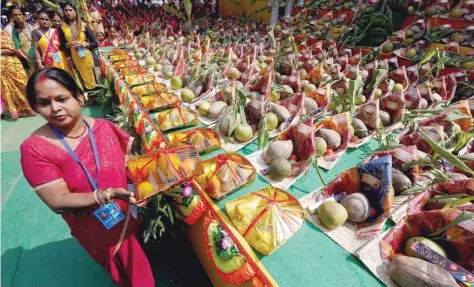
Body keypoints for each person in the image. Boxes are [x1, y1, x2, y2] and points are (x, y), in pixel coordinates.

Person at [21, 67, 155, 287]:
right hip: (94, 225)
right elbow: (58, 200)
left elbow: (128, 165)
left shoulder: (104, 127)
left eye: (62, 98)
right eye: (44, 103)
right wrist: (108, 194)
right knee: (122, 267)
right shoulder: (35, 149)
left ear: (79, 97)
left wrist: (142, 186)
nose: (55, 108)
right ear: (36, 107)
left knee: (134, 259)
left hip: (126, 210)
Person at [58, 3, 99, 90]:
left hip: (87, 55)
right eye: (66, 11)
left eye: (70, 10)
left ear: (76, 11)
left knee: (92, 77)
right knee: (81, 78)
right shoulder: (62, 27)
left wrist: (83, 44)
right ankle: (89, 94)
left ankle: (96, 92)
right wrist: (69, 44)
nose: (68, 13)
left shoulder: (83, 25)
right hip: (74, 57)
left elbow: (95, 43)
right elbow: (61, 46)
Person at [1, 29, 36, 119]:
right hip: (1, 70)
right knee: (7, 89)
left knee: (23, 85)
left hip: (12, 65)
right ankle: (19, 110)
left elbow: (12, 50)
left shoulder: (2, 33)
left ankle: (30, 107)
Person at [32, 9, 71, 74]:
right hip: (48, 61)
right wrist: (39, 63)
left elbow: (62, 46)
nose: (44, 21)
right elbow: (36, 49)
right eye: (41, 19)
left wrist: (68, 57)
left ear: (50, 20)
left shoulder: (56, 31)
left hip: (62, 60)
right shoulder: (35, 33)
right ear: (38, 20)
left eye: (47, 20)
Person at [11, 5, 36, 74]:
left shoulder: (32, 26)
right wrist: (27, 58)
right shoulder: (15, 31)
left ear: (24, 15)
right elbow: (17, 47)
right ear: (12, 17)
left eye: (20, 14)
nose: (18, 17)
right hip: (27, 58)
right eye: (15, 15)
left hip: (37, 55)